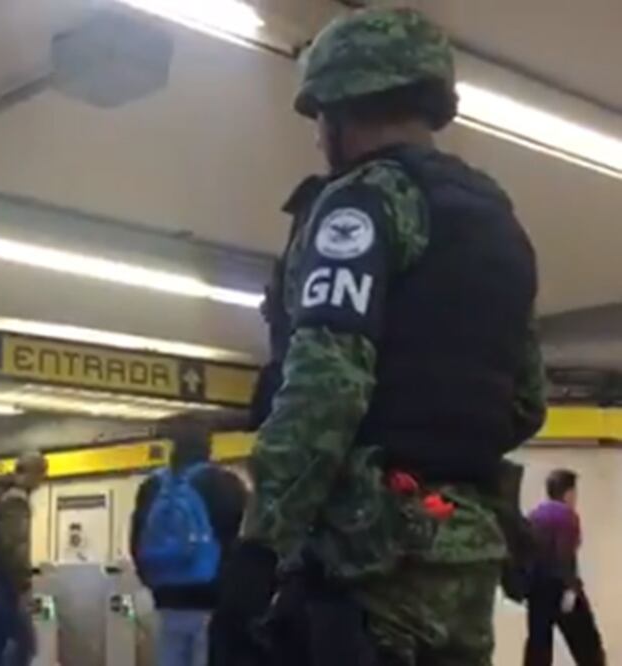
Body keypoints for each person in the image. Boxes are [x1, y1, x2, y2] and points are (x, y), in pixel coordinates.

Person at [246, 7, 545, 665]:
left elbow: (325, 388)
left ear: (340, 108)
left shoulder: (363, 203)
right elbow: (526, 401)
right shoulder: (498, 222)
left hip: (371, 565)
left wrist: (258, 548)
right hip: (466, 556)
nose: (318, 138)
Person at [130, 418, 247, 666]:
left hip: (166, 600)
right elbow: (241, 538)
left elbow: (136, 539)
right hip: (210, 602)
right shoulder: (224, 484)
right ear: (208, 448)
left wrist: (154, 580)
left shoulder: (152, 486)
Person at [0, 451, 48, 666]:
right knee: (24, 646)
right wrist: (24, 586)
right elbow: (14, 547)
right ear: (34, 473)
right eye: (42, 476)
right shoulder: (15, 500)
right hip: (5, 586)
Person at [523, 469, 604, 665]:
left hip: (536, 590)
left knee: (539, 645)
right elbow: (564, 555)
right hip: (560, 588)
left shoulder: (534, 515)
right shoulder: (567, 517)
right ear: (569, 493)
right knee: (587, 643)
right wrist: (571, 588)